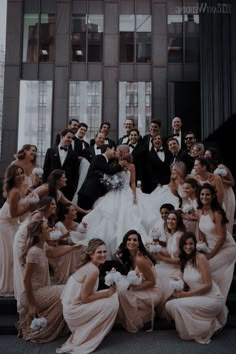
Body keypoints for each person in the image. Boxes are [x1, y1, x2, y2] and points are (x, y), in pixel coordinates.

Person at [81, 145, 150, 257]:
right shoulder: (114, 164)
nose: (117, 153)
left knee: (128, 215)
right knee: (109, 216)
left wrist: (134, 195)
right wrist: (112, 183)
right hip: (115, 193)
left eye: (119, 151)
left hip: (126, 193)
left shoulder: (132, 166)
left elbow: (132, 183)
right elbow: (109, 174)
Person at [56, 238, 119, 354]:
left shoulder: (90, 266)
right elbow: (84, 299)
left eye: (105, 251)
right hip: (74, 311)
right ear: (91, 254)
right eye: (99, 252)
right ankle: (90, 335)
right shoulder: (93, 270)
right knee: (112, 303)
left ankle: (92, 330)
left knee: (113, 297)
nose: (103, 255)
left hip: (72, 306)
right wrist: (107, 293)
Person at [165, 232, 224, 344]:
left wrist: (186, 295)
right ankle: (203, 325)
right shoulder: (186, 260)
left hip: (212, 298)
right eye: (185, 244)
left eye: (191, 243)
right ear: (182, 246)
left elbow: (208, 285)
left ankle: (209, 327)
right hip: (198, 296)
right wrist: (177, 284)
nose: (188, 246)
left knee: (178, 305)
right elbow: (187, 282)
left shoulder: (200, 258)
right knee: (169, 305)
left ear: (195, 244)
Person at [18, 219, 69, 342]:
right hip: (36, 293)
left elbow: (54, 252)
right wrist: (31, 305)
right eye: (47, 228)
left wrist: (73, 248)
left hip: (44, 289)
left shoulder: (42, 246)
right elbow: (26, 280)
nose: (50, 230)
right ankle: (46, 327)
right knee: (68, 290)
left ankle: (52, 325)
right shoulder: (34, 252)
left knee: (68, 289)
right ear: (40, 233)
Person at [197, 183, 236, 322]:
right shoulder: (200, 211)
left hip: (225, 248)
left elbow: (222, 237)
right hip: (210, 248)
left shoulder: (217, 212)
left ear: (212, 196)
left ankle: (215, 307)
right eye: (202, 194)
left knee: (208, 270)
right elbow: (201, 234)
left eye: (207, 194)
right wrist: (201, 248)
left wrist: (211, 255)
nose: (204, 197)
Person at [13, 196, 57, 308]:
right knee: (24, 271)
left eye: (55, 204)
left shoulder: (45, 218)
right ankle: (25, 303)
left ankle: (38, 298)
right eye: (52, 204)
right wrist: (28, 251)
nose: (55, 206)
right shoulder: (38, 215)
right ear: (45, 206)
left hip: (33, 242)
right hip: (23, 242)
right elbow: (32, 233)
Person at [117, 230, 161, 332]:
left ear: (139, 243)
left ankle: (134, 323)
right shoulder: (130, 256)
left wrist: (132, 288)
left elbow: (151, 282)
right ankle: (147, 314)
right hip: (142, 286)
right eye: (129, 239)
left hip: (152, 290)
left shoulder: (140, 259)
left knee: (123, 294)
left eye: (135, 240)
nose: (131, 242)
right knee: (119, 288)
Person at [0, 165, 35, 296]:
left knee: (14, 255)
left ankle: (13, 284)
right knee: (9, 255)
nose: (20, 176)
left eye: (22, 173)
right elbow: (14, 214)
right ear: (12, 177)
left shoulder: (20, 188)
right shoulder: (14, 192)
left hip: (12, 223)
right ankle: (7, 287)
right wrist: (29, 205)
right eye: (17, 175)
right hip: (5, 223)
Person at [154, 210, 186, 318]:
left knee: (158, 272)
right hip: (171, 265)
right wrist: (156, 248)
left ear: (178, 222)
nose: (170, 221)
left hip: (179, 268)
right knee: (155, 269)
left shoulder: (180, 236)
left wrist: (161, 258)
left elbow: (180, 260)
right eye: (168, 219)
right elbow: (170, 253)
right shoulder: (170, 234)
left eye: (173, 219)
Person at [77, 145, 126, 212]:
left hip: (94, 194)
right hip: (87, 193)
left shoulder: (106, 161)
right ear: (108, 149)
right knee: (82, 217)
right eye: (113, 150)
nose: (114, 152)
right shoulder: (99, 158)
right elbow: (109, 170)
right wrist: (120, 165)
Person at [204, 147, 235, 233]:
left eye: (207, 155)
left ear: (213, 156)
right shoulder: (207, 169)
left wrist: (221, 180)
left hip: (227, 194)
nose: (205, 156)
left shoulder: (221, 167)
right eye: (204, 155)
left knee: (226, 218)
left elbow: (232, 182)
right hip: (216, 195)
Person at [43, 128, 79, 200]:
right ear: (62, 137)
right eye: (68, 137)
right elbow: (46, 169)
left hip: (68, 188)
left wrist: (73, 187)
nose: (70, 140)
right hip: (52, 186)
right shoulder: (50, 151)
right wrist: (45, 184)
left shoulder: (74, 154)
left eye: (71, 138)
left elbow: (75, 173)